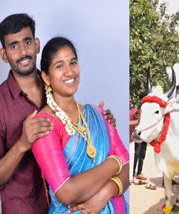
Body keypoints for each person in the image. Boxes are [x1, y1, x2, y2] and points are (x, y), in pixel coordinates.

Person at [0, 13, 115, 214]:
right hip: (24, 209)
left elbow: (83, 141)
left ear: (36, 44)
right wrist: (21, 145)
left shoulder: (59, 85)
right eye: (13, 46)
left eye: (27, 42)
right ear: (4, 55)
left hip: (72, 208)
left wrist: (100, 123)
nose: (23, 52)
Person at [32, 37, 129, 214]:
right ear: (46, 77)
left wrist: (106, 193)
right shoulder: (44, 124)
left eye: (73, 63)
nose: (69, 72)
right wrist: (114, 163)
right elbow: (66, 192)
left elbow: (128, 167)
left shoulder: (98, 114)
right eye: (60, 66)